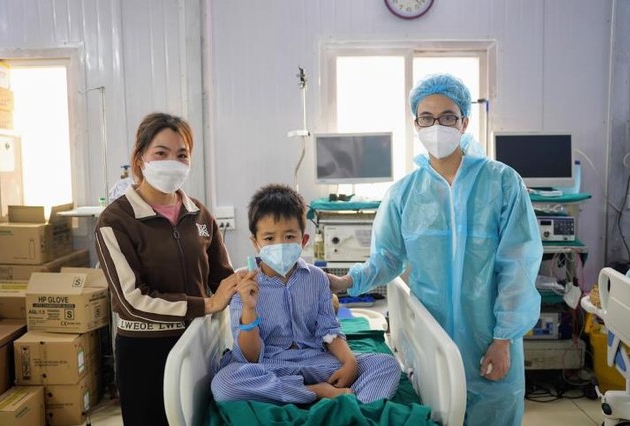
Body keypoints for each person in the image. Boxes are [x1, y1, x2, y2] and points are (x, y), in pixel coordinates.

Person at [328, 74, 543, 426]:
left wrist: (503, 339)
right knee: (440, 412)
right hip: (433, 337)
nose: (436, 125)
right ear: (416, 124)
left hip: (489, 334)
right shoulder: (404, 193)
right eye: (426, 117)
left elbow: (517, 265)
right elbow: (388, 259)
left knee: (495, 413)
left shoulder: (502, 182)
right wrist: (344, 282)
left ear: (464, 122)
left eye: (447, 116)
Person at [95, 112, 238, 426]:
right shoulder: (116, 221)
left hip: (199, 343)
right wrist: (206, 305)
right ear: (140, 158)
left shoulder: (198, 214)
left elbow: (222, 277)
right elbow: (132, 301)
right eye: (161, 153)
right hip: (146, 351)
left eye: (182, 154)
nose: (172, 162)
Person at [210, 184, 401, 404]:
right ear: (255, 242)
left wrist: (350, 362)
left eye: (289, 236)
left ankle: (349, 407)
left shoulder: (317, 278)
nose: (280, 244)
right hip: (269, 366)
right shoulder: (244, 284)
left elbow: (328, 331)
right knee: (224, 384)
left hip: (316, 361)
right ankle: (318, 393)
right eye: (269, 238)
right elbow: (249, 358)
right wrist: (249, 308)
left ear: (304, 240)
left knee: (385, 365)